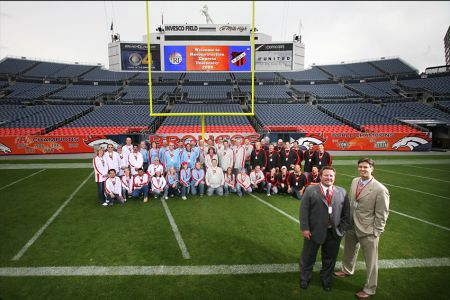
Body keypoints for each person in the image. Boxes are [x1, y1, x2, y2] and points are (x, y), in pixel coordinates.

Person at [334, 158, 390, 299]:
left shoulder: (380, 189)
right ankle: (347, 269)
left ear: (372, 168)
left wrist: (377, 231)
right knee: (349, 250)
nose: (362, 169)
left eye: (366, 167)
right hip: (352, 224)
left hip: (368, 229)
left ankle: (370, 289)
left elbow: (382, 213)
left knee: (371, 262)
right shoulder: (355, 181)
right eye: (360, 167)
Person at [299, 166, 350, 292]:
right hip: (313, 231)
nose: (329, 178)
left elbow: (346, 214)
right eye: (326, 175)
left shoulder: (342, 192)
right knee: (308, 256)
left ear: (334, 177)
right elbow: (304, 210)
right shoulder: (311, 190)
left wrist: (341, 230)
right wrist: (305, 228)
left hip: (334, 233)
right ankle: (305, 277)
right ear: (321, 176)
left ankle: (326, 279)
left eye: (331, 176)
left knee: (330, 259)